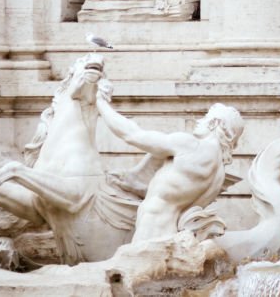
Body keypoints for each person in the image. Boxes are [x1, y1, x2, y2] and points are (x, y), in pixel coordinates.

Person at [96, 94, 244, 243]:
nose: (199, 121)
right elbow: (172, 192)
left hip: (150, 235)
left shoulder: (192, 146)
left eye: (205, 117)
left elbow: (132, 134)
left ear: (214, 123)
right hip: (171, 236)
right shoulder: (219, 175)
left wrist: (100, 103)